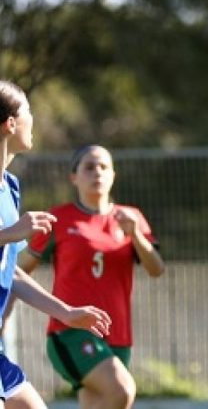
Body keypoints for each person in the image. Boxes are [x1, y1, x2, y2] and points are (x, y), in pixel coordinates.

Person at [20, 143, 165, 409]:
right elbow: (17, 271)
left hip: (117, 333)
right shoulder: (58, 218)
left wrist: (135, 236)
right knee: (122, 390)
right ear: (73, 177)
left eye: (103, 167)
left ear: (113, 175)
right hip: (72, 331)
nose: (97, 172)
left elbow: (156, 269)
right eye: (89, 167)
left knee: (100, 402)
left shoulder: (131, 218)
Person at [0, 80, 112, 409]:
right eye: (28, 112)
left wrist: (67, 313)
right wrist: (9, 233)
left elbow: (11, 272)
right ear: (10, 124)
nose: (33, 118)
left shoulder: (10, 187)